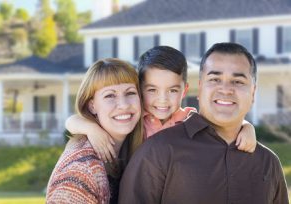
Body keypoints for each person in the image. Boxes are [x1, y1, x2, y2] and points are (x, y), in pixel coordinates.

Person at [118, 43, 289, 204]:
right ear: (199, 88)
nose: (225, 89)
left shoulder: (268, 163)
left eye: (238, 81)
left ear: (253, 93)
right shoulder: (157, 151)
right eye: (215, 79)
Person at [65, 46, 257, 163]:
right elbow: (72, 121)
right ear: (139, 90)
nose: (162, 100)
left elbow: (222, 126)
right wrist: (92, 129)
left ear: (184, 90)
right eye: (152, 90)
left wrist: (247, 127)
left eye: (172, 90)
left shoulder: (190, 120)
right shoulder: (134, 119)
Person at [46, 58, 143, 204]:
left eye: (130, 93)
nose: (123, 105)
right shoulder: (80, 171)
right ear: (92, 106)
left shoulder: (134, 148)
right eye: (110, 95)